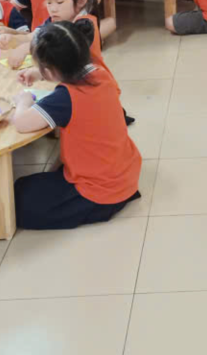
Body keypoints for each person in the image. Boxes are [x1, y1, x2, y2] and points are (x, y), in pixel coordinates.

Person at [12, 20, 142, 228]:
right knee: (26, 187)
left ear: (51, 70)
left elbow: (21, 123)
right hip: (125, 174)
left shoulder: (65, 98)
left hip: (101, 193)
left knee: (17, 202)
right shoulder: (99, 72)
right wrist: (40, 73)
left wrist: (23, 100)